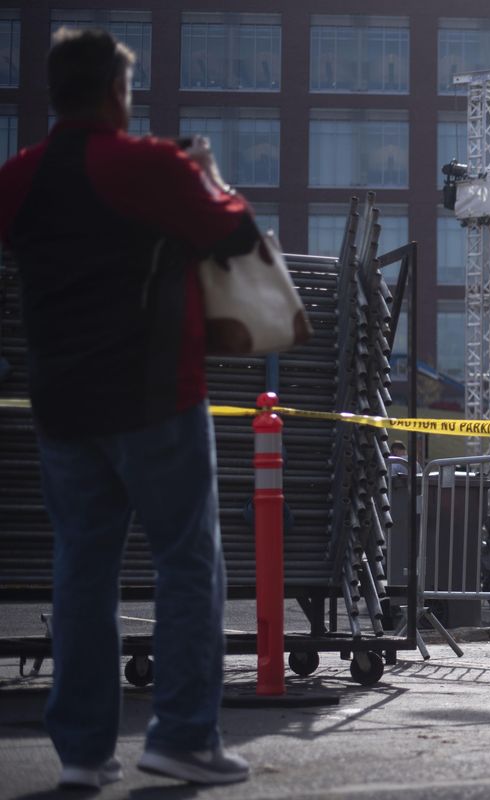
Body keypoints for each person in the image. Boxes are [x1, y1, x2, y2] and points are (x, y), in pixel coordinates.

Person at [0, 29, 255, 788]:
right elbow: (234, 230)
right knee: (186, 565)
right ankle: (182, 736)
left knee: (81, 570)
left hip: (62, 406)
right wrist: (207, 174)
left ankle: (82, 753)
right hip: (156, 397)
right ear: (118, 92)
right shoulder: (149, 165)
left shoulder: (17, 177)